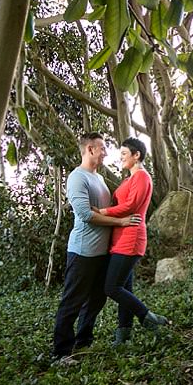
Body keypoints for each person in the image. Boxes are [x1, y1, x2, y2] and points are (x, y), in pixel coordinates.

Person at [51, 132, 141, 362]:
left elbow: (104, 209)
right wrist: (120, 222)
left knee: (97, 299)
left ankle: (83, 340)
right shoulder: (77, 178)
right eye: (102, 148)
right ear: (90, 149)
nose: (105, 153)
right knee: (73, 300)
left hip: (102, 252)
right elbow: (85, 214)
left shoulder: (98, 179)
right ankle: (62, 352)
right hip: (82, 251)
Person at [96, 137, 169, 345]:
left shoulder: (142, 177)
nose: (121, 158)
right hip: (120, 237)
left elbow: (130, 206)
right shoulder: (128, 179)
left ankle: (148, 317)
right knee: (124, 289)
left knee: (111, 287)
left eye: (124, 154)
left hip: (132, 237)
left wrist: (102, 212)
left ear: (136, 155)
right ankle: (123, 336)